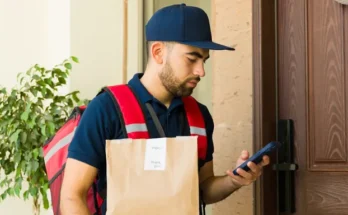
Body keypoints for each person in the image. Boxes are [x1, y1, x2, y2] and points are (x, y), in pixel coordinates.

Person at [60, 3, 270, 215]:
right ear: (158, 52)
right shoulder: (106, 108)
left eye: (204, 60)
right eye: (192, 58)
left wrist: (233, 181)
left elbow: (203, 189)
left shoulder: (199, 116)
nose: (201, 71)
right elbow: (71, 196)